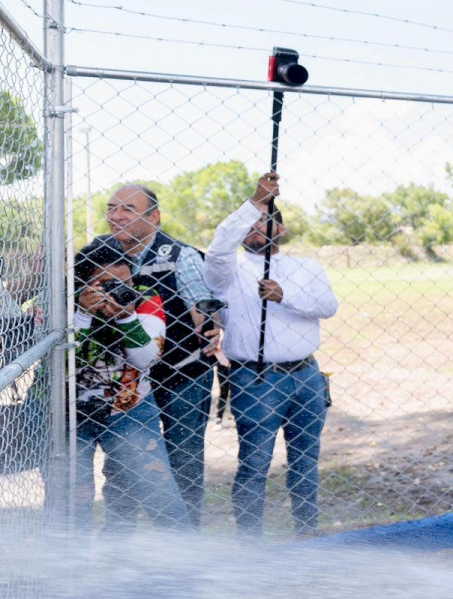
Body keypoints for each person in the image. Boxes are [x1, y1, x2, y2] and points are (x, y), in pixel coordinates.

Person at [203, 173, 338, 537]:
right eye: (251, 222)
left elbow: (328, 306)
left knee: (306, 462)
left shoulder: (306, 267)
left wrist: (284, 296)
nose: (257, 226)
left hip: (308, 376)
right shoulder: (228, 270)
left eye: (265, 219)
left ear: (281, 227)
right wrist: (255, 202)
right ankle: (251, 543)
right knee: (254, 463)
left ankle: (306, 532)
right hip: (257, 378)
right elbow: (218, 247)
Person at [100, 182, 220, 527]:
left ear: (154, 217)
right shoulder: (101, 254)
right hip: (128, 382)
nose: (115, 215)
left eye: (127, 209)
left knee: (183, 461)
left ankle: (183, 543)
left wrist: (209, 325)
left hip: (181, 376)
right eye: (111, 208)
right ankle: (117, 545)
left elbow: (200, 303)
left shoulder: (180, 255)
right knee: (122, 465)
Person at [72, 239, 189, 532]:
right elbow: (65, 364)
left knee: (159, 492)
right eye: (107, 284)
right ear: (83, 283)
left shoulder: (145, 297)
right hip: (67, 412)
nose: (121, 292)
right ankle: (69, 573)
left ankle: (187, 567)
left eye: (125, 283)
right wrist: (84, 314)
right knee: (72, 499)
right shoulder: (61, 299)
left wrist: (126, 317)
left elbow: (146, 359)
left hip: (129, 409)